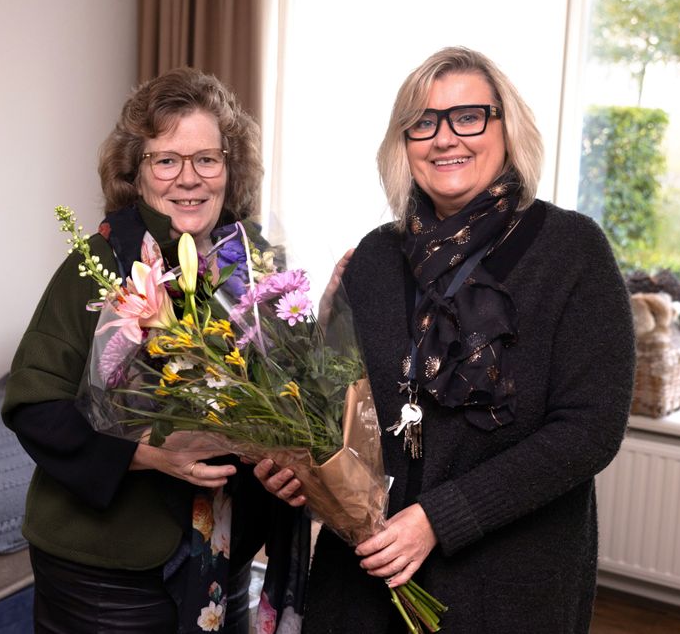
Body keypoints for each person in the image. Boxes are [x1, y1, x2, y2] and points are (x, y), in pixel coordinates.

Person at [257, 46, 636, 632]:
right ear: (403, 143)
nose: (444, 138)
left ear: (508, 128)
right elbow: (336, 409)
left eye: (468, 116)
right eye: (423, 122)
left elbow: (590, 430)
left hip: (509, 591)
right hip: (363, 582)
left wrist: (440, 517)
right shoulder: (376, 257)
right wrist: (299, 467)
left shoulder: (573, 251)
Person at [2, 68, 292, 633]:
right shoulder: (101, 264)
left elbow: (285, 397)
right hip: (105, 570)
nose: (189, 179)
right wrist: (149, 453)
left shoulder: (254, 264)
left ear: (231, 171)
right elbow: (34, 407)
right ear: (136, 175)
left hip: (224, 556)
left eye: (207, 159)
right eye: (166, 161)